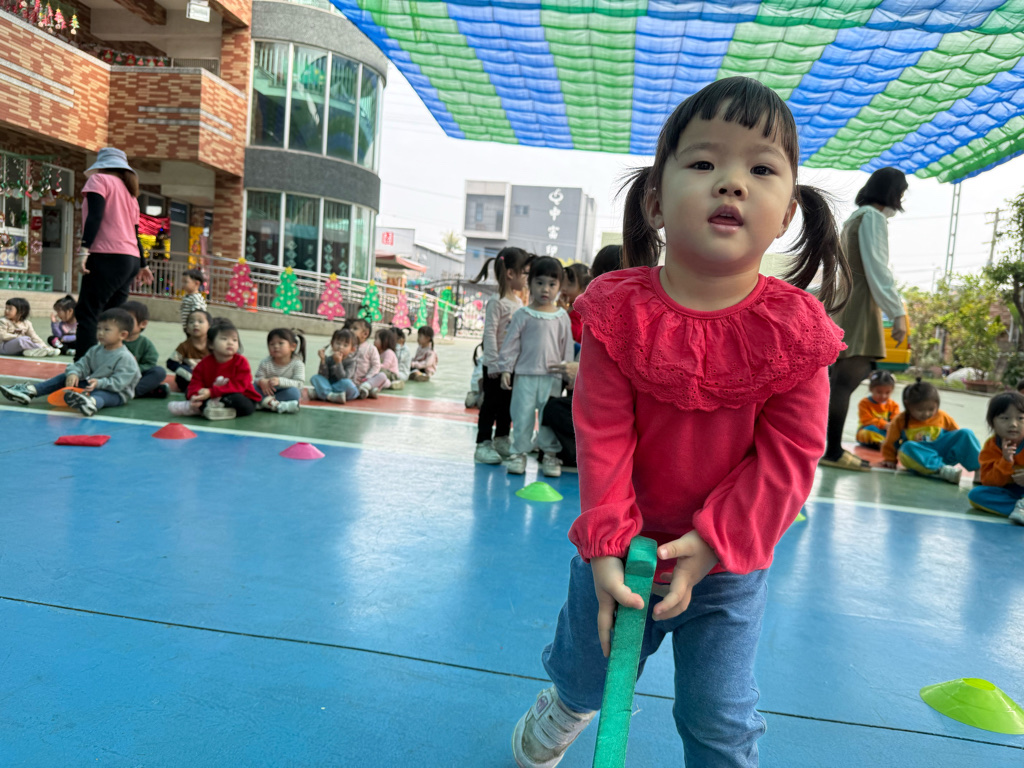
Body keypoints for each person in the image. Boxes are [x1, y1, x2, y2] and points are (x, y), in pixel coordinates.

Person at [511, 77, 852, 768]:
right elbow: (604, 433)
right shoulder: (617, 311)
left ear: (787, 212)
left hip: (727, 559)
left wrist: (716, 541)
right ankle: (568, 703)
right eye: (703, 162)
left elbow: (790, 454)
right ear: (656, 201)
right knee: (589, 673)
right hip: (623, 543)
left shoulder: (796, 330)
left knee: (719, 716)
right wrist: (608, 544)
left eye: (761, 169)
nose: (732, 183)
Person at [820, 166, 910, 471]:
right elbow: (878, 269)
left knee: (838, 381)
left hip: (847, 301)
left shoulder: (855, 217)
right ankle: (833, 451)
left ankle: (828, 449)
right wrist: (897, 312)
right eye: (901, 192)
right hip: (861, 304)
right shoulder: (872, 217)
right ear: (893, 192)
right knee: (844, 382)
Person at [497, 256, 575, 478]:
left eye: (552, 284)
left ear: (559, 286)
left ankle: (549, 454)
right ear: (530, 283)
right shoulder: (522, 315)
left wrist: (569, 375)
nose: (545, 289)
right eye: (539, 283)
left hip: (552, 378)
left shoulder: (561, 317)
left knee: (547, 418)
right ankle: (518, 453)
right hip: (525, 376)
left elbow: (567, 347)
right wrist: (506, 368)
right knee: (522, 415)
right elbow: (511, 344)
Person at [75, 147, 153, 362]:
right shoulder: (130, 194)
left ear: (101, 165)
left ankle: (82, 367)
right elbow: (135, 232)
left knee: (88, 313)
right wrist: (143, 264)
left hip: (106, 255)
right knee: (111, 316)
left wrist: (84, 250)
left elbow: (95, 217)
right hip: (130, 259)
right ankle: (109, 364)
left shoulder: (99, 180)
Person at [0, 307, 140, 416]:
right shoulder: (95, 350)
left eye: (107, 330)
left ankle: (90, 403)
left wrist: (100, 383)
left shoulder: (125, 358)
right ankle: (31, 391)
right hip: (93, 385)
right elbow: (82, 365)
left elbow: (120, 383)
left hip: (116, 393)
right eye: (99, 329)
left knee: (103, 395)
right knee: (65, 376)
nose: (101, 333)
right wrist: (74, 373)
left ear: (123, 335)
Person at [471, 246, 529, 464]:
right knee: (490, 405)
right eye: (524, 273)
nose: (527, 278)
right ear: (511, 273)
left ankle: (502, 438)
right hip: (495, 366)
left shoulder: (519, 303)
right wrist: (493, 364)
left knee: (507, 404)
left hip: (511, 365)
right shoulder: (497, 302)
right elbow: (489, 334)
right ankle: (483, 442)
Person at [880, 378, 980, 483]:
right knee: (906, 447)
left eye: (931, 409)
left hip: (943, 456)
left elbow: (958, 439)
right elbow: (890, 442)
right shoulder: (901, 420)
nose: (926, 414)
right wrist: (889, 459)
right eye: (920, 410)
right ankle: (942, 470)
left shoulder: (942, 416)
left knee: (965, 433)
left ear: (937, 404)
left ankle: (980, 470)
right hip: (920, 458)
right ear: (908, 405)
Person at [168, 318, 261, 420]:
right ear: (211, 344)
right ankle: (206, 408)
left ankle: (204, 408)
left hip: (238, 397)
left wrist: (211, 392)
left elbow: (239, 386)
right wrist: (195, 395)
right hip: (212, 396)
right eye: (224, 339)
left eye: (234, 340)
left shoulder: (241, 362)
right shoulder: (204, 364)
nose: (230, 343)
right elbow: (196, 382)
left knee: (238, 400)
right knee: (189, 392)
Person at [967, 391, 1024, 524]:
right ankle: (1019, 509)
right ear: (992, 423)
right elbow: (989, 482)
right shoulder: (991, 447)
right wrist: (1005, 461)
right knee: (976, 495)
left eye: (1021, 418)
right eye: (1005, 418)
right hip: (1011, 493)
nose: (1013, 424)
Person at [121, 300, 168, 398]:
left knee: (159, 372)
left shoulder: (145, 343)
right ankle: (150, 391)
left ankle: (132, 392)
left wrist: (136, 369)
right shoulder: (114, 339)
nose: (123, 323)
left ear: (143, 324)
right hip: (116, 375)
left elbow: (150, 363)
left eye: (128, 320)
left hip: (136, 376)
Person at [252, 328, 305, 413]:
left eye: (281, 343)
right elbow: (257, 379)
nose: (276, 346)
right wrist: (262, 381)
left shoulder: (297, 364)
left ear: (292, 347)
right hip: (267, 391)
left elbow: (299, 384)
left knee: (294, 393)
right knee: (252, 387)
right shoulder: (265, 362)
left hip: (283, 392)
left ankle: (264, 403)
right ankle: (276, 405)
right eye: (272, 344)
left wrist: (280, 381)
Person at [310, 328, 359, 403]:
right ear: (332, 344)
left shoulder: (351, 362)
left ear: (352, 349)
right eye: (338, 343)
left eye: (345, 345)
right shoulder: (329, 359)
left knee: (347, 383)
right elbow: (324, 376)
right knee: (315, 378)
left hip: (343, 387)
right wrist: (323, 360)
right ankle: (331, 395)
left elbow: (344, 378)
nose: (340, 347)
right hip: (330, 384)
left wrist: (338, 363)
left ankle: (322, 394)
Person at [167, 309, 211, 392]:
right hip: (189, 377)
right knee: (181, 377)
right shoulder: (184, 346)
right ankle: (194, 389)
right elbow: (171, 363)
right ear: (187, 328)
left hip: (207, 377)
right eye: (191, 322)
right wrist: (186, 371)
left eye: (200, 321)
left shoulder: (213, 345)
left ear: (209, 327)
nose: (195, 324)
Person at [856, 369, 898, 447]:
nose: (883, 396)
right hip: (869, 432)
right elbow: (866, 420)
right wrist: (885, 425)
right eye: (879, 392)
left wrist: (892, 427)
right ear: (871, 389)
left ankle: (885, 443)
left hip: (885, 433)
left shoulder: (894, 405)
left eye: (887, 392)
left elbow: (895, 421)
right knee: (870, 430)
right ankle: (885, 444)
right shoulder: (864, 403)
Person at [346, 318, 383, 399]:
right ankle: (366, 391)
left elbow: (376, 365)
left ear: (365, 334)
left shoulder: (371, 348)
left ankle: (365, 388)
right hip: (351, 381)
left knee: (382, 376)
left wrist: (368, 377)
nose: (351, 331)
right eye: (350, 328)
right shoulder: (349, 347)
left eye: (355, 328)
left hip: (366, 380)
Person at [561, 262, 591, 349]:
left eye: (569, 284)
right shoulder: (569, 307)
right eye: (563, 283)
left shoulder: (579, 311)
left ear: (583, 288)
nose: (563, 288)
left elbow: (573, 335)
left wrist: (562, 314)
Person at [372, 327, 400, 393]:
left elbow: (386, 366)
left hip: (392, 374)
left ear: (384, 341)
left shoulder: (389, 352)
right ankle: (385, 384)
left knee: (379, 371)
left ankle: (391, 383)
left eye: (376, 339)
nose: (374, 341)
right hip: (384, 374)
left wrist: (374, 366)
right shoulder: (378, 353)